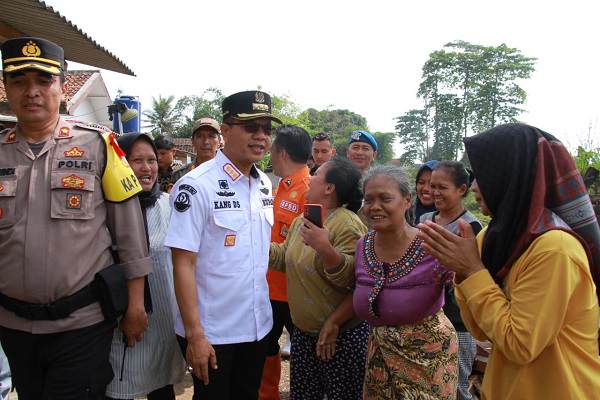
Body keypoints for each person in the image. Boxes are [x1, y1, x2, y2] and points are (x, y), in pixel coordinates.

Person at [0, 37, 151, 399]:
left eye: (43, 81)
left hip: (81, 324)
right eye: (20, 81)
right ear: (6, 87)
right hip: (13, 325)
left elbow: (130, 237)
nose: (32, 91)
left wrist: (135, 306)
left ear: (61, 84)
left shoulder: (99, 145)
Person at [417, 123, 600, 399]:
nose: (476, 186)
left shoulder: (554, 249)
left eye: (483, 175)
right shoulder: (496, 237)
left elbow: (519, 344)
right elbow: (480, 327)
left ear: (511, 177)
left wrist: (472, 269)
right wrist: (464, 272)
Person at [164, 90, 281, 400]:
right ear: (226, 132)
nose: (261, 137)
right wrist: (195, 336)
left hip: (257, 326)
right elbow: (183, 263)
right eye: (251, 127)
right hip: (213, 333)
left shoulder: (264, 183)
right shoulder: (196, 185)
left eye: (266, 129)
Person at [354, 165, 458, 399]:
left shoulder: (432, 243)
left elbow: (464, 285)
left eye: (385, 198)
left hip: (428, 358)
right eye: (368, 199)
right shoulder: (363, 245)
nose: (375, 207)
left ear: (407, 200)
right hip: (379, 357)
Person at [269, 157, 369, 400]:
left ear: (329, 188)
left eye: (316, 174)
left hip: (340, 338)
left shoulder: (349, 225)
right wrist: (254, 242)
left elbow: (353, 281)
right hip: (303, 334)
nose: (310, 178)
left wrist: (325, 249)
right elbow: (284, 257)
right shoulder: (301, 221)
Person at [106, 132, 186, 400]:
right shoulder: (107, 207)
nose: (146, 168)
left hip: (164, 315)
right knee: (121, 380)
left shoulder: (168, 204)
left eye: (151, 160)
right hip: (120, 317)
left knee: (162, 387)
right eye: (136, 160)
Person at [418, 160, 482, 400]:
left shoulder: (470, 226)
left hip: (458, 320)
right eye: (432, 186)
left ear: (462, 190)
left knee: (457, 384)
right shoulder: (424, 219)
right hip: (425, 316)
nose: (434, 192)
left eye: (442, 187)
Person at [259, 125, 312, 400]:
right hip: (269, 290)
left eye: (271, 149)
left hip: (294, 293)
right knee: (267, 347)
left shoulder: (309, 192)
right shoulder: (278, 186)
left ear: (281, 153)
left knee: (305, 353)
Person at [170, 117, 221, 185]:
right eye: (200, 136)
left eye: (211, 136)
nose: (206, 142)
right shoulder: (180, 175)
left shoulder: (230, 173)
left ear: (219, 142)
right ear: (192, 141)